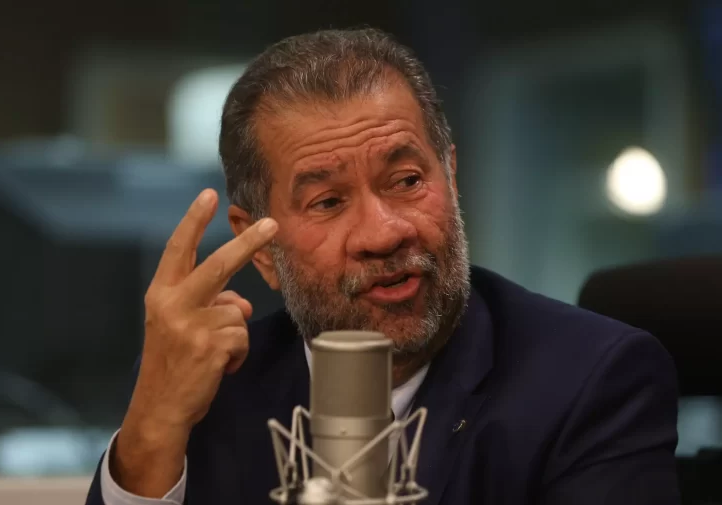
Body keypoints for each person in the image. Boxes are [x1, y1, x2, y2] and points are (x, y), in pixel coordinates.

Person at [84, 28, 680, 505]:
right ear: (260, 248)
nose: (384, 232)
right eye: (328, 202)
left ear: (451, 176)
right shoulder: (215, 391)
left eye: (407, 180)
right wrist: (152, 431)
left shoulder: (589, 380)